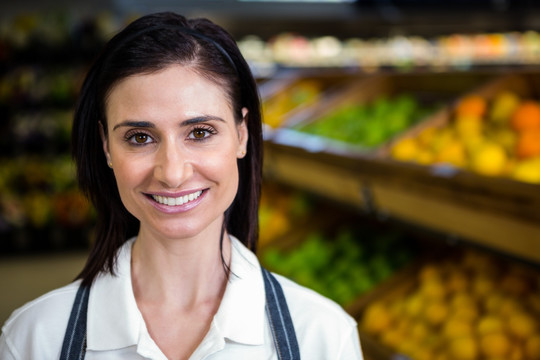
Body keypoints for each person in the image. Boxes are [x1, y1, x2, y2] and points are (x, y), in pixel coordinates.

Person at [0, 12, 363, 360]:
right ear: (107, 146)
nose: (172, 173)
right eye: (140, 137)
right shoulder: (34, 338)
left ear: (241, 135)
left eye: (200, 133)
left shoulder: (323, 337)